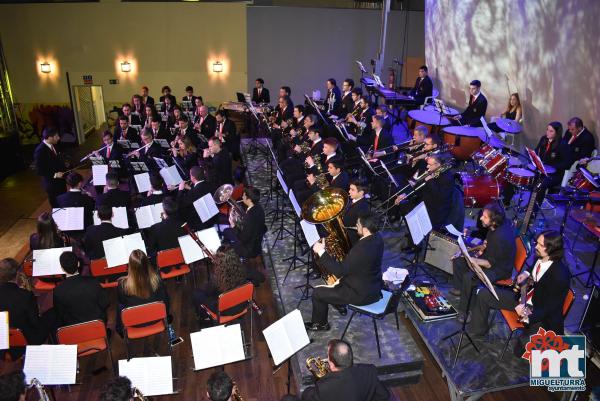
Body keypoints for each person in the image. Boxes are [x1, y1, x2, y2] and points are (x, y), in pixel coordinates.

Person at [469, 230, 571, 355]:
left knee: (519, 352)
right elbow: (535, 265)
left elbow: (550, 308)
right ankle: (476, 332)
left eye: (540, 245)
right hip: (525, 299)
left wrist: (527, 316)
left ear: (552, 249)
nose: (536, 247)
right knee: (484, 294)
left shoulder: (560, 276)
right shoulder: (542, 257)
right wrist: (526, 273)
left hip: (541, 315)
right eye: (536, 243)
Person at [305, 212, 384, 331]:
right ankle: (337, 301)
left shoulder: (360, 250)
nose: (355, 226)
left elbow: (339, 271)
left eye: (358, 224)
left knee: (317, 293)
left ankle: (320, 324)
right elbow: (360, 266)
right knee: (334, 286)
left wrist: (321, 252)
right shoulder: (378, 238)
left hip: (360, 295)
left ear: (366, 229)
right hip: (374, 288)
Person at [450, 202, 516, 321]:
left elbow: (489, 263)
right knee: (459, 261)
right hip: (492, 257)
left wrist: (470, 258)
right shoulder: (495, 226)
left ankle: (466, 310)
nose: (480, 218)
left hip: (499, 269)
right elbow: (488, 244)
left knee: (469, 278)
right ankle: (462, 290)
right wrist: (475, 250)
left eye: (485, 217)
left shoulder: (500, 237)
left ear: (494, 221)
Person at [284, 339, 390, 401]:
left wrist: (308, 390)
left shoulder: (325, 388)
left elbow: (308, 395)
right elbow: (384, 395)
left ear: (332, 364)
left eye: (328, 358)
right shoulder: (369, 371)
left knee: (287, 398)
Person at [502, 121, 570, 206]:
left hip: (554, 175)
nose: (547, 132)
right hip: (539, 169)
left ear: (557, 133)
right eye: (547, 130)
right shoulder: (544, 139)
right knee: (516, 173)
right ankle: (506, 200)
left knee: (540, 185)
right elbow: (537, 152)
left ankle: (532, 211)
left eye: (551, 131)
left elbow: (567, 164)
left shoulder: (563, 145)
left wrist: (551, 168)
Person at [116, 250, 174, 340]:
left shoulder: (122, 284)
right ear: (147, 263)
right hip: (157, 319)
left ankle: (120, 330)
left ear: (130, 266)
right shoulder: (157, 278)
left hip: (134, 323)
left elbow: (122, 303)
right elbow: (165, 300)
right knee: (165, 296)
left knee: (120, 305)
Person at [192, 245, 249, 324]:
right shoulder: (243, 270)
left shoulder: (217, 278)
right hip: (242, 306)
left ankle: (203, 318)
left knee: (196, 294)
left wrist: (215, 265)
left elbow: (208, 292)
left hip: (224, 311)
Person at [53, 251, 109, 328]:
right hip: (98, 325)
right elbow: (105, 303)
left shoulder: (58, 291)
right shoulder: (93, 282)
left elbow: (60, 315)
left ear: (62, 269)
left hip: (75, 330)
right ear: (78, 264)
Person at [0, 258, 48, 345]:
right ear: (17, 273)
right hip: (25, 339)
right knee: (51, 316)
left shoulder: (24, 295)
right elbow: (35, 322)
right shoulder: (26, 295)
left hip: (2, 338)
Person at [224, 187, 267, 260]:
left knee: (226, 232)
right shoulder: (259, 208)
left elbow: (243, 239)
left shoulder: (249, 218)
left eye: (244, 196)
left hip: (249, 249)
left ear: (249, 200)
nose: (242, 197)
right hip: (256, 243)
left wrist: (233, 225)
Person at [34, 127, 66, 207]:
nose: (58, 138)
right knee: (57, 206)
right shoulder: (40, 150)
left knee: (63, 203)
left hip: (61, 182)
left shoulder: (54, 145)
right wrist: (54, 175)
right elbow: (39, 170)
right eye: (56, 136)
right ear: (49, 137)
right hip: (52, 185)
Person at [177, 166, 212, 230]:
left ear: (193, 177)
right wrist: (190, 188)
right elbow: (199, 192)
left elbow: (180, 203)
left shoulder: (193, 192)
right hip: (212, 215)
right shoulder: (209, 184)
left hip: (200, 221)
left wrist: (180, 190)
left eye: (190, 175)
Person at [343, 180, 370, 245]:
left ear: (361, 193)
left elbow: (360, 230)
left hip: (352, 239)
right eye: (350, 189)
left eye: (352, 190)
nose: (349, 191)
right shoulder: (352, 200)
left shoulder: (363, 208)